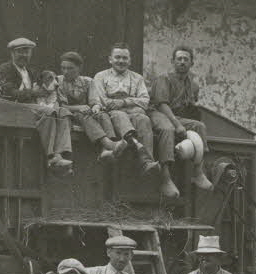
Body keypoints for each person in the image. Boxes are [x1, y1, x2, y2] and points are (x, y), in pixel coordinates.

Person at [89, 42, 161, 188]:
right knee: (119, 115)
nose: (121, 61)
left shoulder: (137, 78)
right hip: (111, 114)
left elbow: (144, 101)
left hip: (133, 113)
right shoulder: (101, 76)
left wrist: (123, 102)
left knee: (144, 119)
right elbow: (100, 99)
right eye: (117, 57)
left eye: (124, 58)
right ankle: (137, 146)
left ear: (130, 60)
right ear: (110, 59)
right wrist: (126, 104)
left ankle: (147, 162)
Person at [0, 36, 73, 171]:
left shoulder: (31, 71)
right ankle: (51, 157)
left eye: (27, 52)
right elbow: (8, 93)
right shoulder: (6, 68)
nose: (24, 55)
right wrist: (34, 93)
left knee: (63, 112)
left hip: (32, 106)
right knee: (48, 112)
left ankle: (60, 154)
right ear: (12, 53)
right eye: (20, 51)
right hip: (14, 106)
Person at [149, 46, 214, 192]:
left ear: (192, 63)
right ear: (173, 61)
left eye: (186, 59)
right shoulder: (163, 79)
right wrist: (178, 125)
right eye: (179, 59)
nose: (182, 62)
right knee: (168, 129)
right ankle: (165, 178)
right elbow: (162, 105)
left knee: (200, 126)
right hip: (157, 113)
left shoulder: (193, 85)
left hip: (176, 116)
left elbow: (189, 108)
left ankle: (198, 172)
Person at [56, 50, 121, 160]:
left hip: (87, 114)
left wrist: (95, 107)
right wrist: (79, 107)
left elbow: (94, 101)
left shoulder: (88, 82)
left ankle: (106, 150)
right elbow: (61, 106)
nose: (65, 71)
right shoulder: (58, 81)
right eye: (63, 68)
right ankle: (108, 144)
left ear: (79, 68)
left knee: (102, 114)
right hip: (69, 115)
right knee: (83, 115)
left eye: (70, 68)